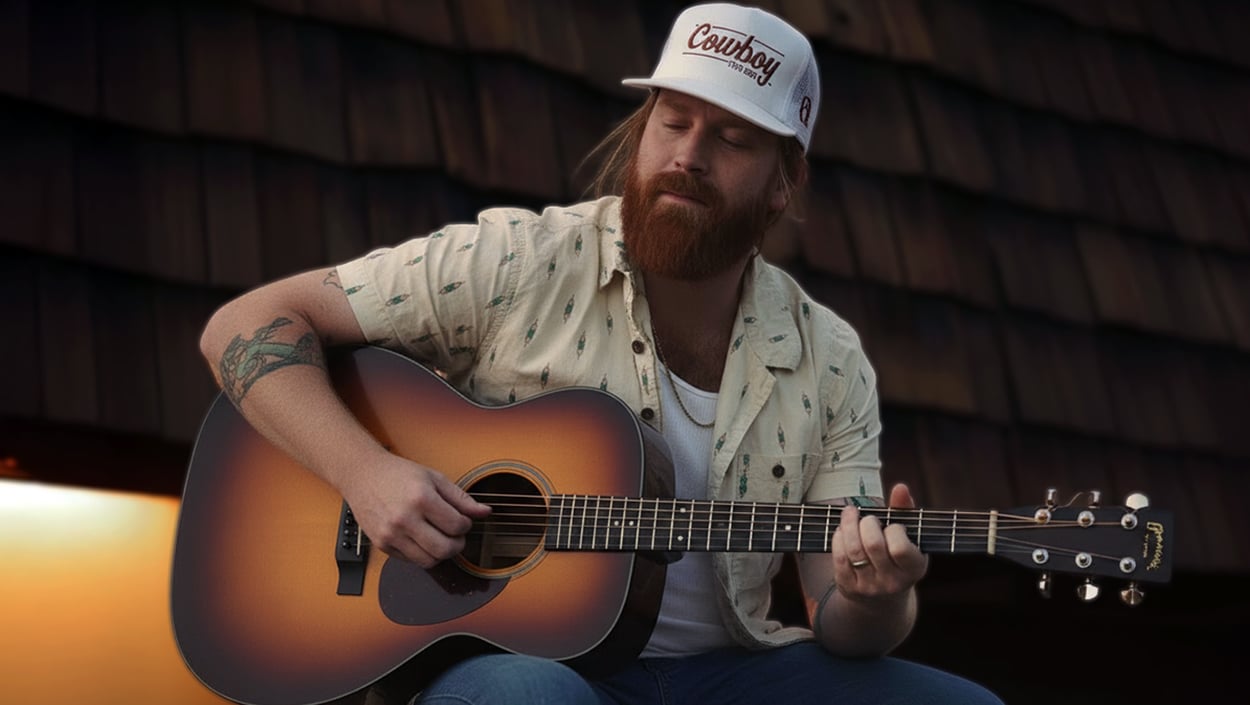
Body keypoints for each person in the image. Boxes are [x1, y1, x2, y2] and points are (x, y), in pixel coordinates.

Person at [199, 3, 1003, 703]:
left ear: (784, 181)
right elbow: (244, 323)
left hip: (730, 677)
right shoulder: (521, 260)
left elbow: (843, 618)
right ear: (643, 128)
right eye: (673, 122)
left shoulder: (828, 360)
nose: (689, 155)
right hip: (519, 663)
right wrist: (365, 472)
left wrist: (878, 597)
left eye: (730, 139)